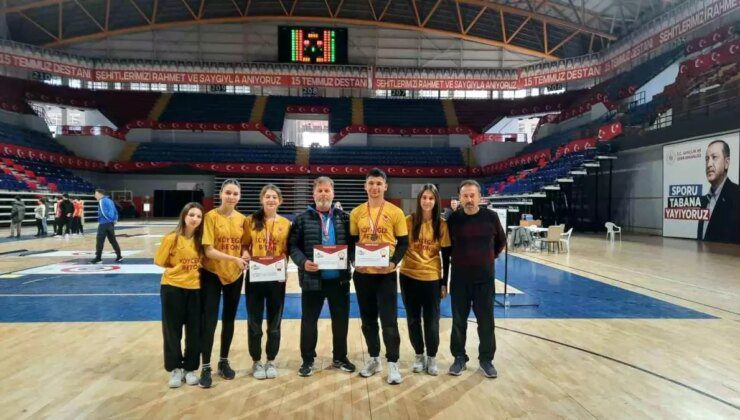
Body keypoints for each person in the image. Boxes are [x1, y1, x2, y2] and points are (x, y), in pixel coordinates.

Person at [288, 177, 355, 377]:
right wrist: (302, 262)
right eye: (320, 191)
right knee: (309, 321)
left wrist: (353, 259)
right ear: (314, 194)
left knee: (341, 321)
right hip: (312, 279)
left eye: (327, 191)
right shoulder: (301, 219)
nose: (324, 194)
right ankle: (307, 360)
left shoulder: (344, 217)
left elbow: (352, 246)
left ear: (333, 194)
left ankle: (340, 357)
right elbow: (292, 246)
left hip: (339, 280)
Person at [349, 168, 409, 385]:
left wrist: (393, 263)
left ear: (385, 186)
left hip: (386, 275)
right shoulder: (356, 213)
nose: (375, 187)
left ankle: (393, 362)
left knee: (389, 321)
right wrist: (356, 262)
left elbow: (403, 243)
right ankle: (374, 359)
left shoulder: (396, 212)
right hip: (363, 275)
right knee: (367, 321)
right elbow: (352, 243)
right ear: (365, 186)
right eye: (371, 183)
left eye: (378, 183)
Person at [446, 180, 506, 378]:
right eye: (465, 196)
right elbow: (446, 250)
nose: (469, 199)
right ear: (460, 198)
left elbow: (500, 243)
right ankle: (459, 358)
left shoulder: (491, 217)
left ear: (480, 197)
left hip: (484, 280)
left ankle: (486, 360)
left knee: (486, 321)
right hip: (460, 279)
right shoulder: (453, 219)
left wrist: (486, 259)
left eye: (472, 196)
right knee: (458, 321)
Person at [199, 179, 249, 388]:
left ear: (239, 197)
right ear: (220, 194)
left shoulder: (242, 219)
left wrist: (245, 255)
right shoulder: (210, 217)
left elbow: (245, 245)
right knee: (209, 321)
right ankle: (206, 366)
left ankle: (223, 361)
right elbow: (208, 250)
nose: (231, 197)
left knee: (229, 320)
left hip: (235, 275)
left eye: (235, 194)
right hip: (211, 273)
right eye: (228, 192)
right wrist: (234, 259)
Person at [400, 184, 451, 376]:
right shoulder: (408, 221)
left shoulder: (442, 224)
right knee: (413, 319)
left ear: (436, 201)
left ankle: (432, 357)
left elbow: (446, 257)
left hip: (431, 278)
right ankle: (419, 355)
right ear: (419, 199)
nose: (427, 201)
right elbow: (399, 245)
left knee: (431, 320)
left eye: (431, 198)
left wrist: (444, 282)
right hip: (408, 276)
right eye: (424, 197)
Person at [243, 184, 292, 380]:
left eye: (274, 197)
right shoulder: (250, 220)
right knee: (254, 321)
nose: (271, 200)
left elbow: (288, 250)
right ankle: (256, 361)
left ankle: (271, 360)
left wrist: (284, 267)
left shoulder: (286, 224)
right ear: (261, 199)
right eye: (267, 196)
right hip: (255, 277)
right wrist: (246, 254)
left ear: (280, 201)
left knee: (274, 322)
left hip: (276, 278)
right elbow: (245, 244)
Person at [154, 202, 205, 388]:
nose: (195, 219)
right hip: (172, 288)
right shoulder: (171, 238)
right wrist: (177, 269)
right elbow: (159, 261)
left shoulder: (202, 240)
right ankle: (175, 368)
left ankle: (190, 368)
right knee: (172, 330)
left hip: (196, 290)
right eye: (192, 214)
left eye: (199, 216)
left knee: (194, 331)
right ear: (184, 215)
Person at [697, 139, 740, 243]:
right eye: (707, 159)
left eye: (714, 157)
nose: (709, 164)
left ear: (726, 163)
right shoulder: (703, 201)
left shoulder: (737, 196)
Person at [90, 190, 122, 263]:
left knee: (99, 241)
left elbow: (104, 213)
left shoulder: (102, 201)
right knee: (113, 240)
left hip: (104, 223)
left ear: (100, 194)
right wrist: (115, 219)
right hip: (110, 224)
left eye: (95, 194)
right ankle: (119, 256)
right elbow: (115, 211)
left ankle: (98, 258)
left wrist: (109, 219)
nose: (94, 196)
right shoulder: (110, 200)